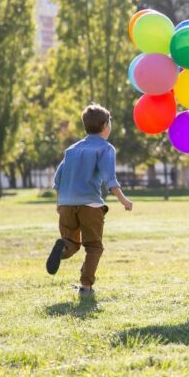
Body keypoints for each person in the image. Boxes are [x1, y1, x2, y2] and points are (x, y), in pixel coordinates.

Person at [45, 104, 134, 296]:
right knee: (93, 246)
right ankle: (86, 287)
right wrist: (123, 200)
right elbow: (110, 178)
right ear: (105, 126)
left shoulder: (72, 149)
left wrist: (59, 204)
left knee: (71, 243)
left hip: (66, 204)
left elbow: (58, 179)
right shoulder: (105, 148)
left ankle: (62, 249)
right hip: (90, 204)